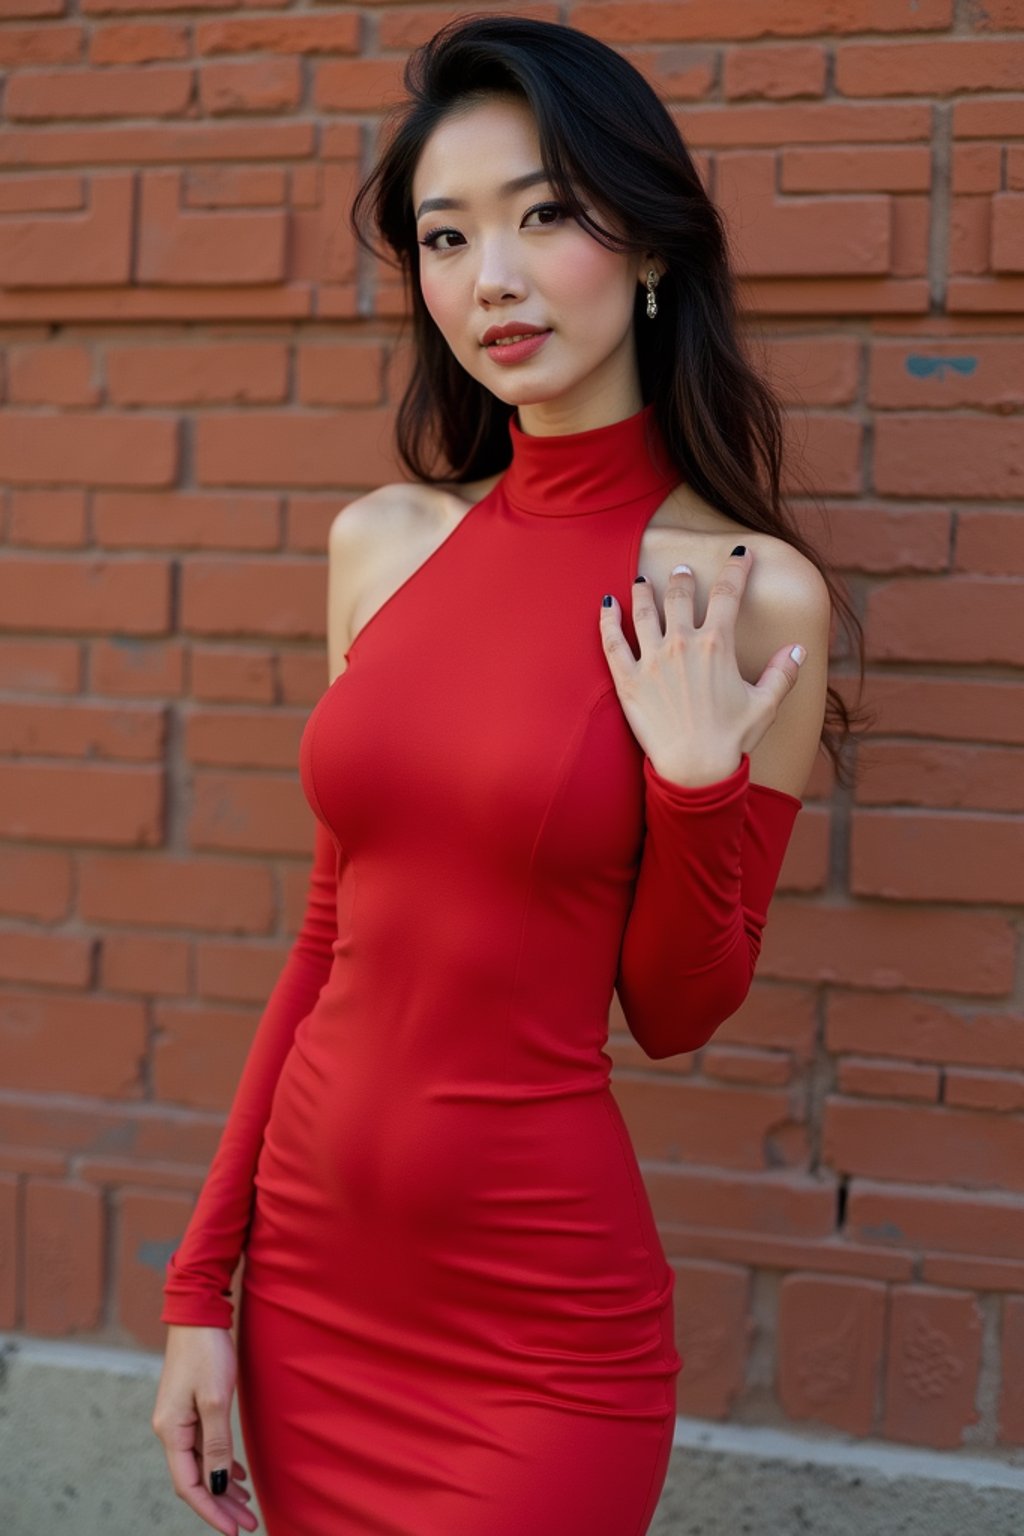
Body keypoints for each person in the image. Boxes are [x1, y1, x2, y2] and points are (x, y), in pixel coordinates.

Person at [151, 14, 863, 1535]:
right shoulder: (383, 544)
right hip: (310, 1293)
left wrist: (691, 785)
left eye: (546, 214)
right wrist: (196, 1290)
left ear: (653, 244)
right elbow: (327, 941)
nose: (494, 279)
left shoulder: (747, 598)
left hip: (540, 1332)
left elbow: (679, 1013)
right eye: (447, 236)